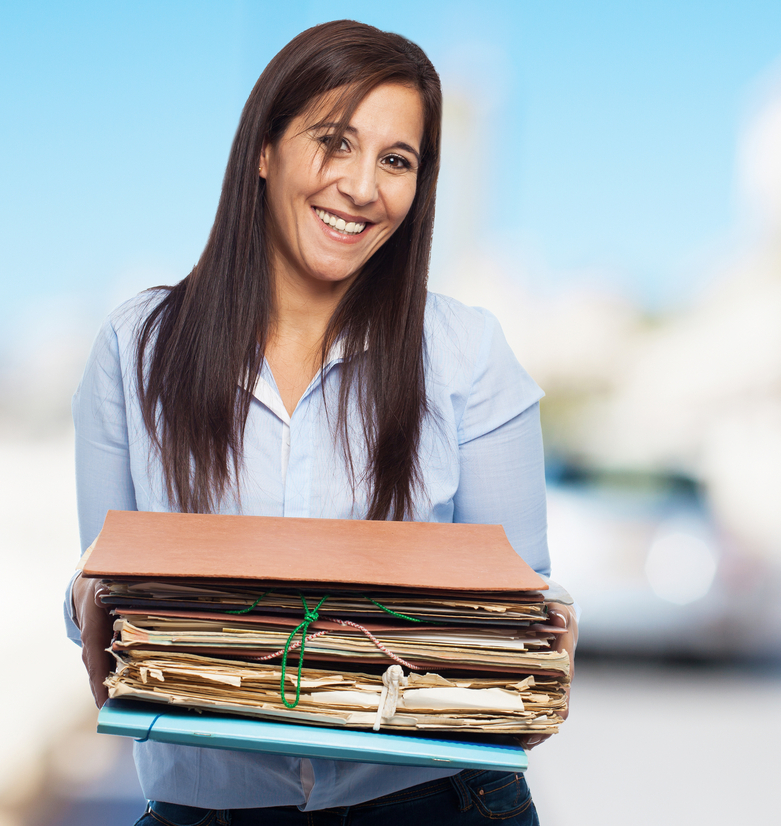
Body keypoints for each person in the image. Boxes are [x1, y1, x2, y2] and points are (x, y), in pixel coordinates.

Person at [67, 19, 574, 826]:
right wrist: (94, 607)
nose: (363, 187)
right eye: (335, 142)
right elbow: (104, 587)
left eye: (396, 161)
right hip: (212, 806)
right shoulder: (138, 349)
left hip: (429, 802)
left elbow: (519, 606)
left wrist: (545, 628)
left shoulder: (466, 354)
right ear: (264, 151)